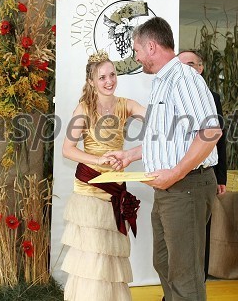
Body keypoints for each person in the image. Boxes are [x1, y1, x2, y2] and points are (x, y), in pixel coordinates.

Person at [105, 17, 222, 301]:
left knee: (185, 272)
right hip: (170, 188)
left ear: (152, 46)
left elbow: (210, 131)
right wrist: (130, 155)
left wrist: (177, 173)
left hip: (186, 187)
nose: (135, 56)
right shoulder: (161, 83)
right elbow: (165, 139)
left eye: (136, 50)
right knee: (164, 262)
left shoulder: (185, 78)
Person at [61, 50, 146, 301]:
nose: (109, 81)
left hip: (115, 193)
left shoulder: (125, 105)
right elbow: (68, 149)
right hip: (90, 193)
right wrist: (98, 159)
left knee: (109, 257)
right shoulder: (83, 108)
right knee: (93, 256)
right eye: (102, 77)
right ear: (91, 81)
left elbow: (154, 118)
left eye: (112, 75)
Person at [177, 50, 227, 279]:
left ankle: (199, 282)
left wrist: (221, 177)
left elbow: (219, 139)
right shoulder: (173, 94)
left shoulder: (212, 97)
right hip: (177, 176)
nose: (185, 69)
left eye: (190, 64)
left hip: (203, 174)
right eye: (181, 65)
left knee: (200, 235)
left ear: (200, 67)